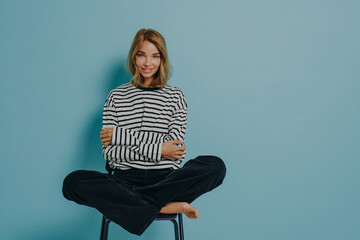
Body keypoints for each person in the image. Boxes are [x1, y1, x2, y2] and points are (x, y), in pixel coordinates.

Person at [62, 28, 226, 236]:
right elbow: (111, 154)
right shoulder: (116, 96)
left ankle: (139, 204)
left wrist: (121, 136)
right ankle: (163, 206)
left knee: (215, 166)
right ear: (134, 57)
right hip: (124, 180)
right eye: (142, 55)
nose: (148, 63)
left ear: (162, 59)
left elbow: (175, 153)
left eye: (155, 56)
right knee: (72, 182)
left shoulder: (175, 96)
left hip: (167, 180)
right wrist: (159, 148)